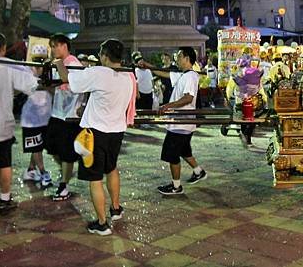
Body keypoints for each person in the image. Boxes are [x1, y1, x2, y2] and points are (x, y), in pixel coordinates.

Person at [55, 39, 135, 235]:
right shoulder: (128, 76)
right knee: (112, 168)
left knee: (95, 178)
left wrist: (58, 63)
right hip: (116, 131)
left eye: (101, 54)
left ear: (105, 56)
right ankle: (115, 208)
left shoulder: (98, 73)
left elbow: (68, 80)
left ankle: (101, 223)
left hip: (95, 133)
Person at [0, 32, 38, 226]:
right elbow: (32, 85)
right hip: (2, 128)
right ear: (3, 47)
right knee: (4, 164)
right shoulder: (11, 66)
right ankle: (5, 199)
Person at [140, 47, 206, 194]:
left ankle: (176, 186)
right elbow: (164, 74)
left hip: (181, 123)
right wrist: (148, 66)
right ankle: (198, 171)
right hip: (181, 123)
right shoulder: (183, 75)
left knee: (171, 153)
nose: (176, 58)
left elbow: (188, 98)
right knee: (184, 150)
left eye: (179, 56)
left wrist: (167, 106)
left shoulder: (190, 76)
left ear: (187, 58)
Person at [45, 33, 84, 201]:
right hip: (57, 113)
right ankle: (65, 173)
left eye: (55, 46)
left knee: (67, 152)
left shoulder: (74, 63)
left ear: (64, 46)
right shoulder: (57, 64)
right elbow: (56, 87)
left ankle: (64, 185)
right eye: (52, 46)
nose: (53, 49)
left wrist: (58, 65)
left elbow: (67, 80)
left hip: (70, 116)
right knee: (51, 146)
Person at [20, 58, 54, 189]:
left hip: (45, 117)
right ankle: (43, 172)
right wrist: (41, 84)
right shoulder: (26, 72)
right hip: (31, 118)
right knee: (36, 147)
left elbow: (53, 90)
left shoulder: (48, 72)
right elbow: (25, 89)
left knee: (39, 145)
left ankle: (30, 169)